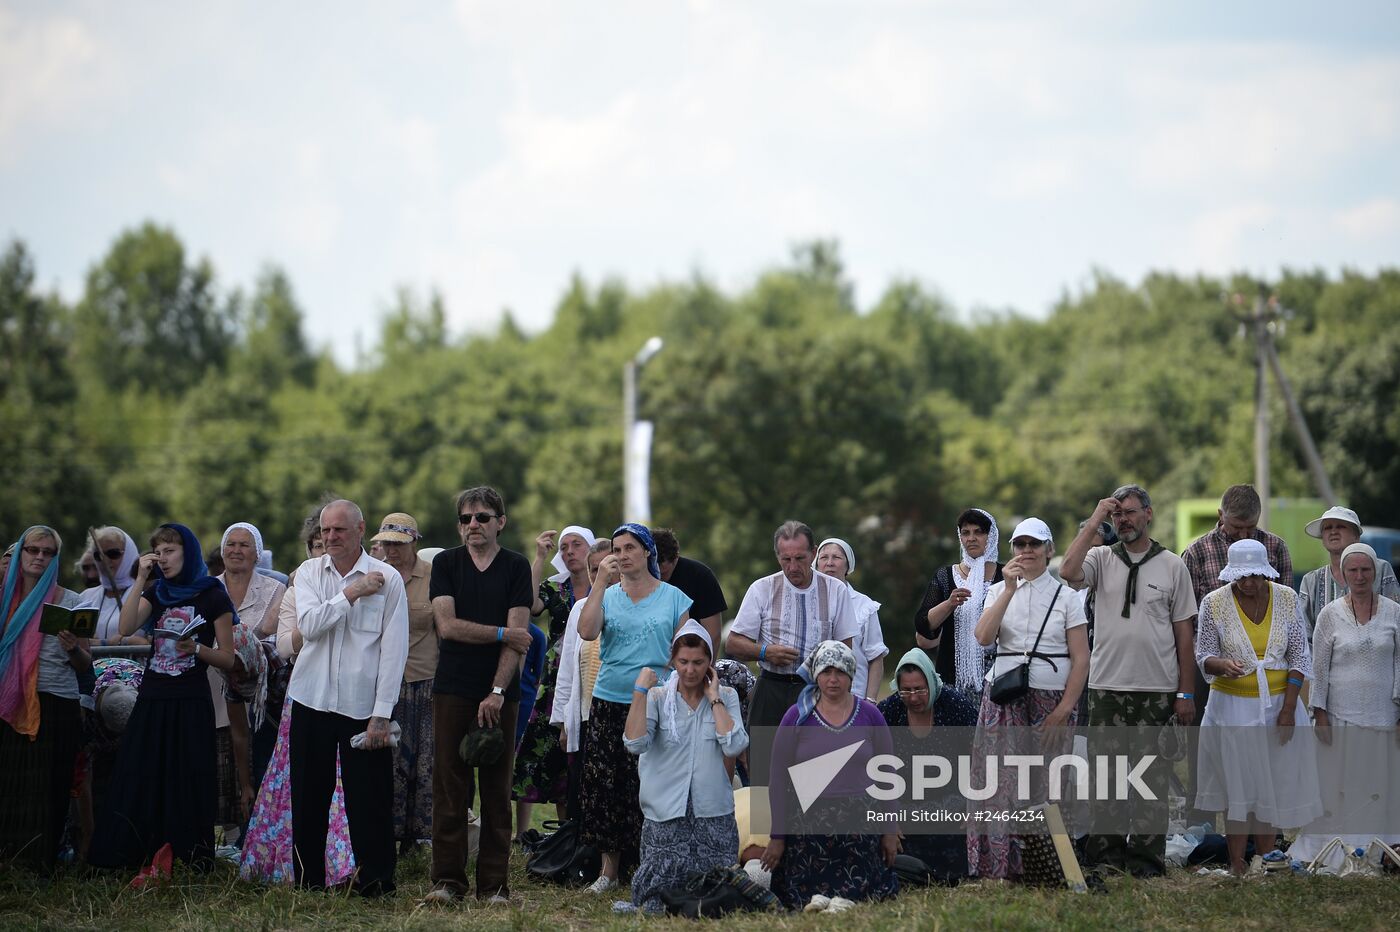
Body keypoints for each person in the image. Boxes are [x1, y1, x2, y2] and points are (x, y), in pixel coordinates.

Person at [1059, 485, 1198, 877]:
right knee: (1106, 777)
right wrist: (1095, 519)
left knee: (1151, 780)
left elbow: (1184, 634)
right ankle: (1107, 858)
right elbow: (1068, 571)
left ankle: (1146, 861)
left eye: (1130, 513)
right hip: (1107, 688)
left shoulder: (1172, 565)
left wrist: (1185, 692)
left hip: (1156, 689)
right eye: (1117, 515)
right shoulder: (1101, 558)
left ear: (1149, 514)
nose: (1124, 520)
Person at [89, 523, 237, 870]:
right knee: (141, 769)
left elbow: (228, 658)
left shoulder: (212, 595)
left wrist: (196, 648)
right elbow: (124, 629)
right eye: (157, 551)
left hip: (190, 698)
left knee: (186, 773)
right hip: (154, 695)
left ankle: (188, 856)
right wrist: (140, 579)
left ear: (188, 551)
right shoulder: (156, 592)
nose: (162, 558)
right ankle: (132, 852)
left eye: (170, 551)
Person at [286, 499, 408, 896]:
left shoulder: (387, 578)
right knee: (307, 796)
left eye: (339, 529)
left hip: (362, 704)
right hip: (311, 697)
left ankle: (375, 881)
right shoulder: (307, 572)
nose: (331, 537)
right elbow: (309, 626)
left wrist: (382, 713)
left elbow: (394, 652)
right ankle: (308, 881)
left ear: (360, 529)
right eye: (325, 531)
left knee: (369, 798)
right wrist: (351, 593)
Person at [424, 487, 533, 905]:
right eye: (466, 518)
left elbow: (520, 642)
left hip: (499, 692)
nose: (473, 525)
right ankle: (447, 882)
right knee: (450, 787)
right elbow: (448, 627)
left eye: (483, 517)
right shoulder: (446, 563)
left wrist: (498, 691)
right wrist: (503, 632)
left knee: (496, 788)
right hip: (452, 686)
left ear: (500, 522)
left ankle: (494, 886)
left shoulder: (516, 567)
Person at [967, 518, 1088, 881]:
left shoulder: (1067, 597)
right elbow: (983, 637)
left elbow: (1081, 658)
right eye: (1020, 545)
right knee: (1000, 782)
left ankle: (1049, 867)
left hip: (1051, 698)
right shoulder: (997, 592)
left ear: (1049, 550)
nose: (1026, 552)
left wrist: (1065, 709)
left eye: (1034, 545)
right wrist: (1007, 589)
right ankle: (1001, 867)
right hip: (1005, 696)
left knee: (1048, 783)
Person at [577, 523, 693, 894]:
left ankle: (651, 864)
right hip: (610, 698)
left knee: (652, 784)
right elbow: (586, 632)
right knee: (606, 785)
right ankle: (608, 872)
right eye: (617, 549)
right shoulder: (608, 595)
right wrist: (598, 584)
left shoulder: (675, 597)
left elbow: (685, 652)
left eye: (630, 548)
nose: (622, 555)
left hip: (656, 701)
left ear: (647, 553)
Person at [1194, 539, 1319, 876]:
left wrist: (1289, 709)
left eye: (1254, 575)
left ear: (1266, 572)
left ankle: (1266, 862)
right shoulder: (1214, 603)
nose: (1248, 583)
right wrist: (1221, 665)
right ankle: (1236, 864)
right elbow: (1203, 654)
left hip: (1278, 703)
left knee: (1270, 785)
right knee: (1239, 786)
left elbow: (1299, 656)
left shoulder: (1287, 598)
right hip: (1230, 707)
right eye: (1241, 577)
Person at [242, 511, 353, 887]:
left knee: (347, 782)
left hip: (350, 695)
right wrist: (322, 618)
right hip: (307, 695)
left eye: (331, 543)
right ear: (309, 550)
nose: (326, 550)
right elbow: (285, 645)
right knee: (304, 783)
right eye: (318, 545)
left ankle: (347, 862)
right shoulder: (297, 589)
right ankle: (298, 865)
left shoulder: (362, 583)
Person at [763, 640, 898, 909]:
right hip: (808, 823)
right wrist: (778, 836)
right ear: (816, 675)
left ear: (851, 675)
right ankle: (820, 900)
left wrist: (889, 830)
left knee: (866, 886)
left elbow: (889, 774)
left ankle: (843, 901)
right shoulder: (797, 716)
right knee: (799, 891)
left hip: (858, 823)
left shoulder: (870, 715)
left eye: (840, 673)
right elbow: (777, 778)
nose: (833, 680)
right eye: (826, 672)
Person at [624, 620, 748, 912]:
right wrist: (639, 692)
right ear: (673, 661)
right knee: (657, 900)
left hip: (712, 810)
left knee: (717, 896)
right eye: (683, 662)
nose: (690, 670)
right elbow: (635, 743)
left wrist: (714, 697)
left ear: (710, 662)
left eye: (698, 662)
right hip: (666, 809)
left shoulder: (726, 697)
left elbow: (733, 745)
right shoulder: (657, 698)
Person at [1290, 542, 1400, 868]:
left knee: (1380, 786)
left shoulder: (1395, 613)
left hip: (1383, 714)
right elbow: (1318, 668)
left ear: (1376, 572)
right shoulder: (1330, 615)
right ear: (1345, 575)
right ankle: (1336, 850)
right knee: (1338, 787)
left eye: (1366, 569)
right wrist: (1319, 713)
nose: (1360, 576)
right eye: (1353, 570)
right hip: (1339, 715)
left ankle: (1379, 851)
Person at [0, 526, 89, 872]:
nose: (39, 556)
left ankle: (40, 866)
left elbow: (84, 663)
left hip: (55, 701)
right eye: (33, 549)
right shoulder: (4, 599)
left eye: (47, 552)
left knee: (48, 787)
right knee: (11, 783)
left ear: (55, 558)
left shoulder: (71, 602)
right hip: (9, 704)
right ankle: (9, 863)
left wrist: (71, 648)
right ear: (20, 552)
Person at [725, 520, 856, 734]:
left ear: (813, 554)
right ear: (777, 556)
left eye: (800, 558)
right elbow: (733, 643)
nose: (793, 567)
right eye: (786, 559)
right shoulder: (762, 589)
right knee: (764, 762)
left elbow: (846, 651)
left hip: (818, 690)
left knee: (816, 762)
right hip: (771, 687)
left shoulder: (836, 590)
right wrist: (766, 652)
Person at [514, 525, 595, 838]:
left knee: (579, 752)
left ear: (590, 549)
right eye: (564, 547)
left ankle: (577, 830)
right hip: (556, 678)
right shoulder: (556, 586)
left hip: (591, 673)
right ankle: (544, 834)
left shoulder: (604, 585)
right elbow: (531, 606)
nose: (569, 551)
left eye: (576, 545)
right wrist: (539, 557)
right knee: (548, 752)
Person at [876, 647, 978, 882]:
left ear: (932, 683)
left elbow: (982, 757)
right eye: (906, 691)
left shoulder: (955, 706)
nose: (913, 697)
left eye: (920, 689)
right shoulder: (889, 710)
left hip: (952, 802)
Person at [369, 512, 437, 856]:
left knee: (425, 761)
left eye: (398, 544)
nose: (391, 551)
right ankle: (388, 835)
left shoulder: (433, 577)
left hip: (425, 679)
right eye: (386, 544)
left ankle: (419, 838)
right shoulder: (374, 576)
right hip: (385, 682)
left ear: (414, 543)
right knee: (389, 760)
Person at [214, 522, 286, 832]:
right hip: (212, 686)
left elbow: (274, 637)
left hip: (258, 690)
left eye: (244, 545)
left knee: (255, 757)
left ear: (257, 553)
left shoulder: (274, 589)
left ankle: (252, 833)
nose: (236, 550)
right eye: (231, 544)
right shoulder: (208, 588)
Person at [913, 508, 1003, 694]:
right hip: (951, 674)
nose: (971, 538)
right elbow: (923, 625)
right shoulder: (946, 576)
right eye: (965, 532)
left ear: (991, 536)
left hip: (998, 675)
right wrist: (949, 603)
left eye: (979, 532)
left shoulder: (1005, 576)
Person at [551, 539, 611, 817]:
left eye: (606, 568)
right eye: (594, 570)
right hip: (586, 715)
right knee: (583, 789)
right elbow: (567, 673)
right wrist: (564, 722)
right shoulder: (580, 609)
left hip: (620, 712)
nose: (601, 577)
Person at [1182, 484, 1293, 607]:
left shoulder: (1276, 547)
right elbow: (1186, 611)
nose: (1243, 534)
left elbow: (1287, 603)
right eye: (1236, 527)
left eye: (1251, 527)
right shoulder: (1196, 552)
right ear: (1221, 515)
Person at [1299, 505, 1400, 635]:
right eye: (1328, 527)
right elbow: (1303, 633)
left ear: (1356, 536)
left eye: (1340, 526)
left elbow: (1396, 619)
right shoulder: (1311, 580)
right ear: (1322, 538)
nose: (1333, 531)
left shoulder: (1381, 569)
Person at [815, 537, 888, 701]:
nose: (830, 563)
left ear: (848, 565)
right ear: (816, 563)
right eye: (824, 557)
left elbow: (875, 657)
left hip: (855, 696)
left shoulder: (865, 605)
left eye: (837, 557)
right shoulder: (806, 601)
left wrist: (870, 701)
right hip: (813, 697)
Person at [654, 527, 729, 648]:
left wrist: (705, 665)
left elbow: (713, 634)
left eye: (663, 574)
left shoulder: (701, 576)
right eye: (653, 572)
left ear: (676, 558)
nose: (658, 579)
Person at [76, 526, 142, 645]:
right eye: (99, 555)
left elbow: (145, 642)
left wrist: (103, 643)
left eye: (113, 554)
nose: (105, 560)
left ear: (128, 554)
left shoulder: (143, 595)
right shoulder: (85, 597)